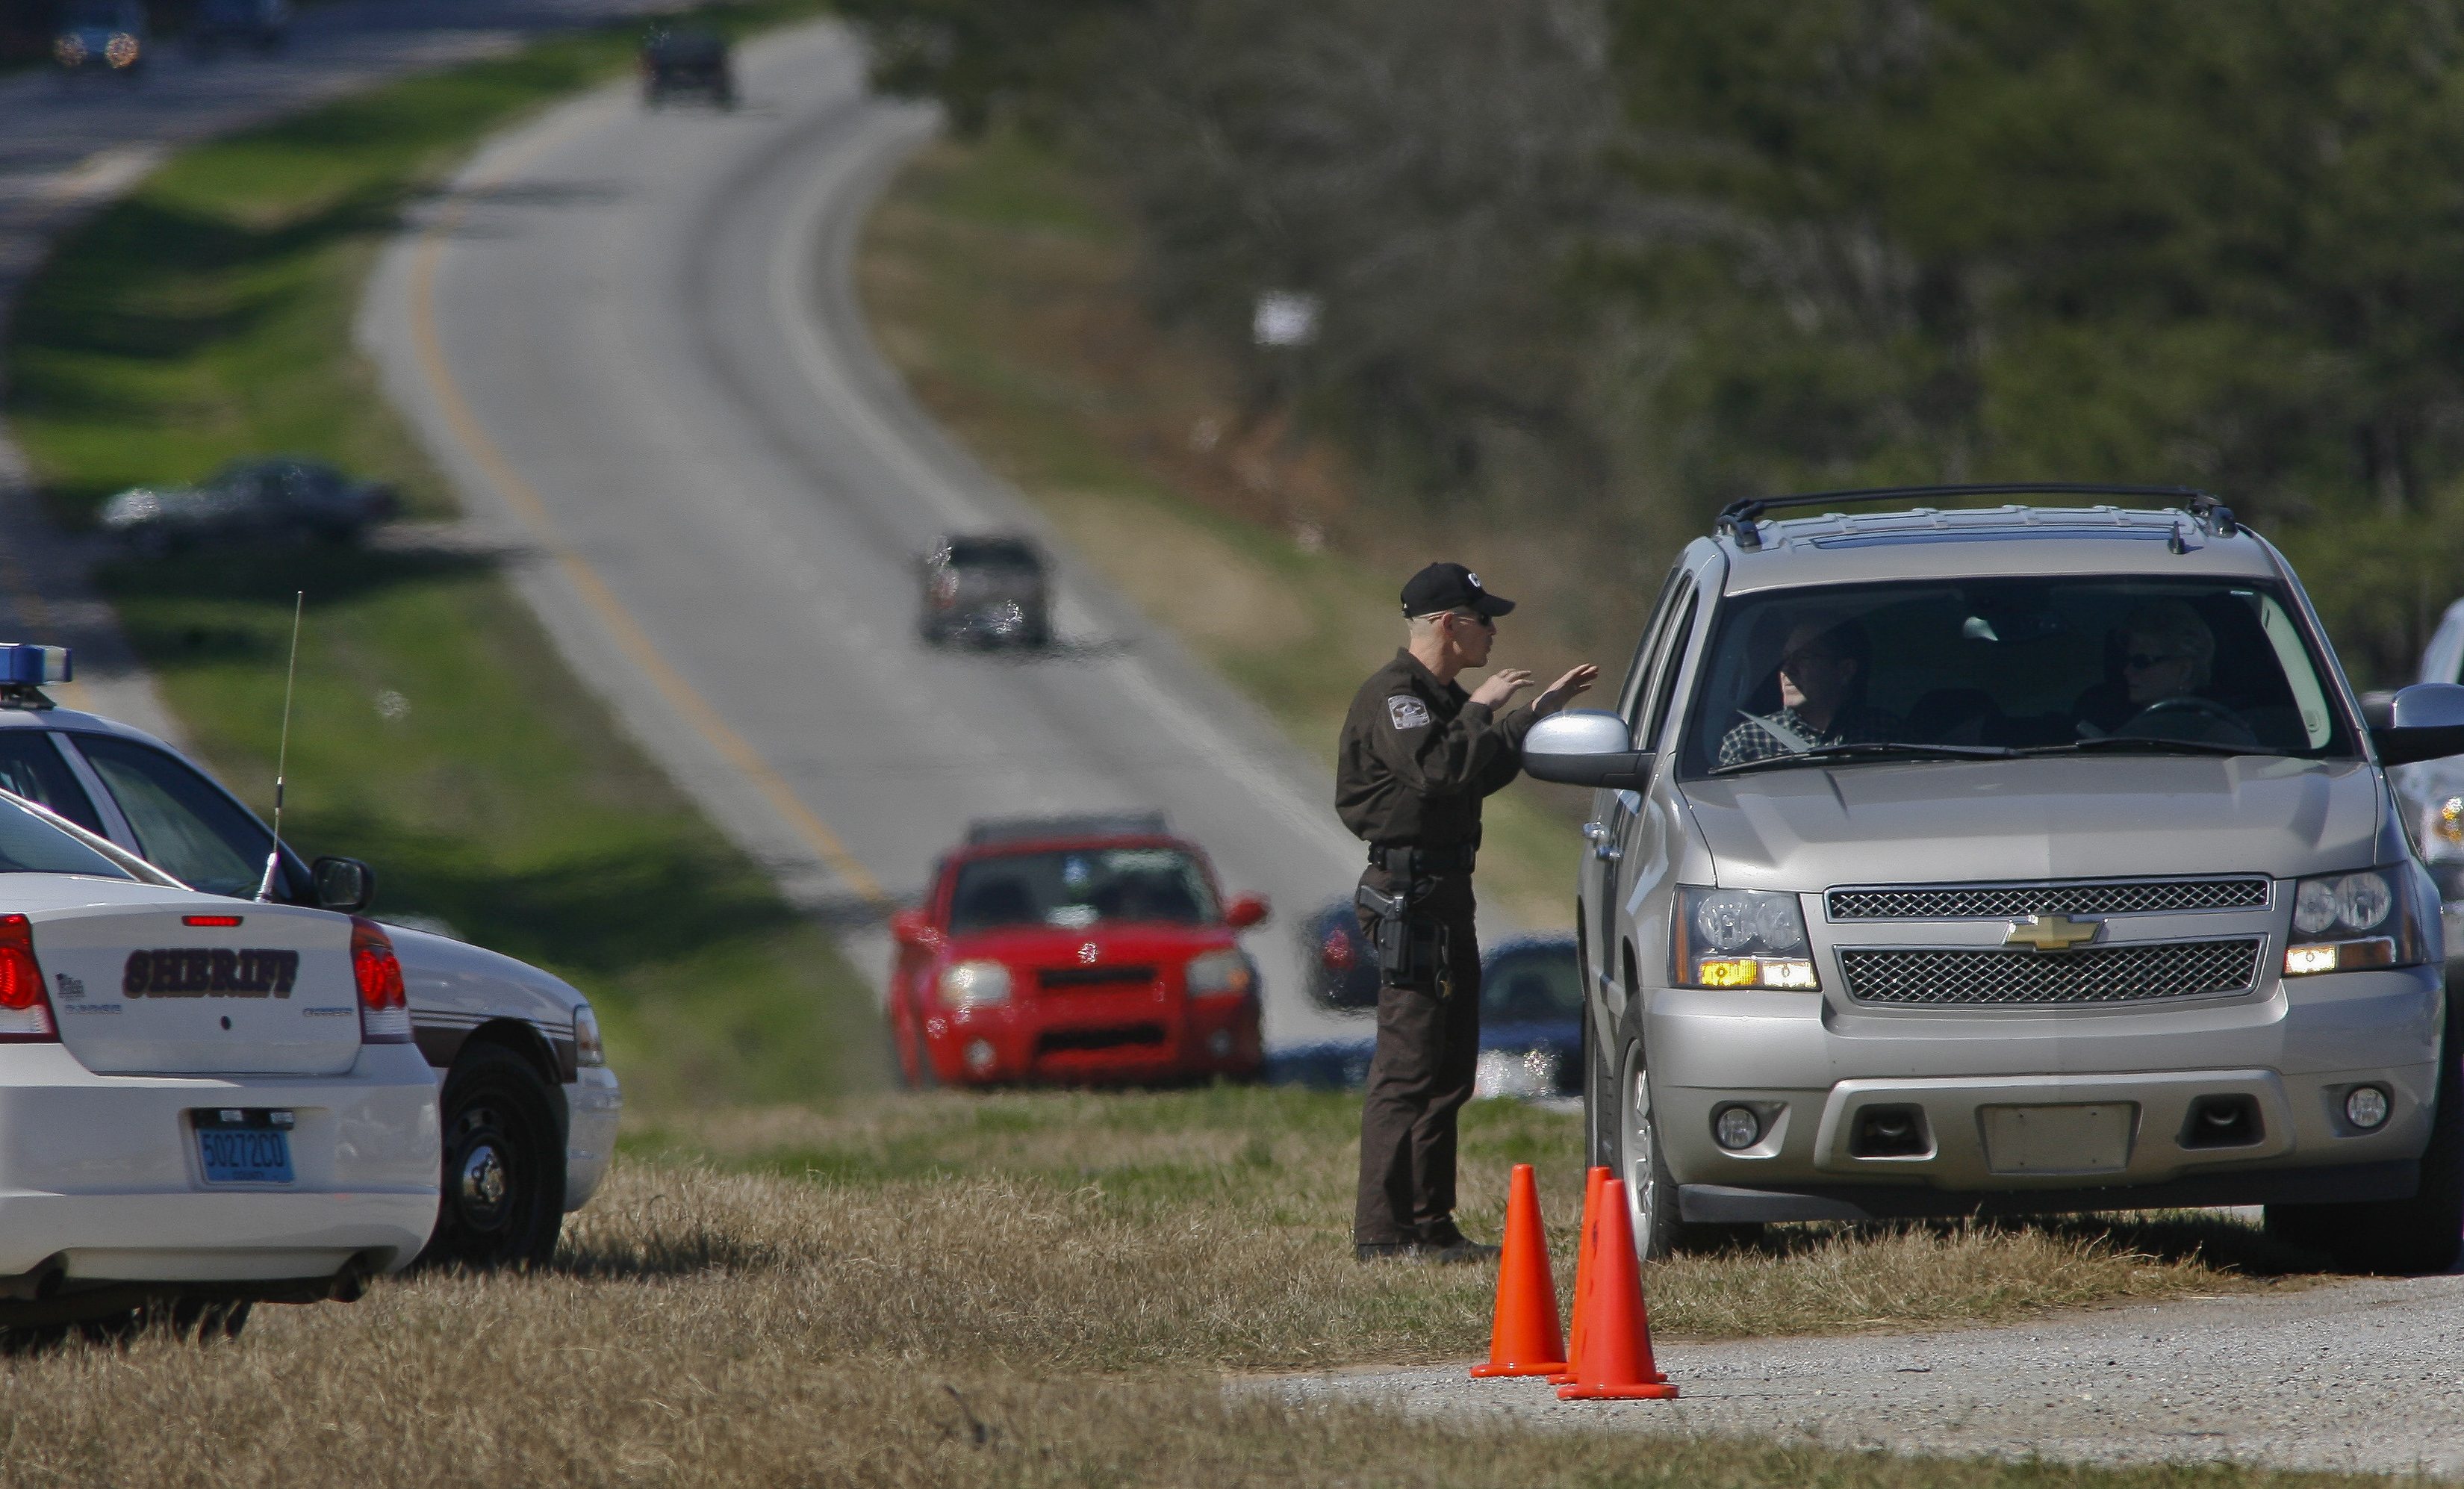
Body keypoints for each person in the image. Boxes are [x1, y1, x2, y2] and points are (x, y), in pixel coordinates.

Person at [1335, 562, 1596, 1263]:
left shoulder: (1439, 698)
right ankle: (1384, 1234)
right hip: (1409, 896)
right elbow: (1437, 769)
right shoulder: (1399, 698)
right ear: (1448, 624)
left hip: (1446, 894)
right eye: (1484, 619)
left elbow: (1478, 768)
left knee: (1449, 1066)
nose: (1494, 630)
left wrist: (1538, 714)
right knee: (1408, 1065)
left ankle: (1431, 1225)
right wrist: (1483, 706)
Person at [1716, 615, 1899, 768]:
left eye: (1804, 657)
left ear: (1845, 671)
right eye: (1786, 658)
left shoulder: (1888, 735)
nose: (1788, 669)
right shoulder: (1746, 741)